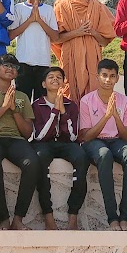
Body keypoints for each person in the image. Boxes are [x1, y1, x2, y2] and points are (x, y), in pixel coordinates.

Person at [0, 53, 40, 229]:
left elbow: (27, 133)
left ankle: (18, 219)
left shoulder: (22, 97)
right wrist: (3, 108)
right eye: (6, 66)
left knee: (32, 162)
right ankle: (3, 217)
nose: (10, 69)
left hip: (15, 139)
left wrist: (14, 110)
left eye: (14, 67)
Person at [80, 58, 127, 230]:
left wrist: (115, 116)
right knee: (104, 155)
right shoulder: (86, 101)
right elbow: (86, 136)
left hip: (117, 140)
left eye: (112, 76)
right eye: (104, 75)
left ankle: (125, 217)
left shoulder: (124, 101)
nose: (108, 80)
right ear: (97, 77)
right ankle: (112, 217)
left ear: (117, 79)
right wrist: (106, 117)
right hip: (95, 142)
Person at [32, 65, 90, 230]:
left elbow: (73, 137)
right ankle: (48, 216)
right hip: (44, 144)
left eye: (59, 77)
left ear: (64, 84)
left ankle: (73, 215)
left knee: (82, 157)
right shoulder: (37, 105)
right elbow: (39, 136)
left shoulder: (71, 105)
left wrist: (64, 113)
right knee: (40, 160)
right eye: (51, 77)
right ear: (43, 84)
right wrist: (55, 112)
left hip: (65, 143)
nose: (55, 79)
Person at [52, 0, 115, 104]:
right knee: (69, 99)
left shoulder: (98, 6)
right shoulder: (61, 5)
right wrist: (78, 32)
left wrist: (92, 32)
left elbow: (105, 41)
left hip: (93, 61)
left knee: (94, 100)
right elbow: (55, 39)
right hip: (71, 60)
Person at [9, 0, 57, 101]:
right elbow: (11, 35)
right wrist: (30, 20)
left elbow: (55, 36)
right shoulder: (18, 8)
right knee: (21, 101)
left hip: (43, 62)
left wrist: (39, 20)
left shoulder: (48, 9)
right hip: (23, 62)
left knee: (40, 102)